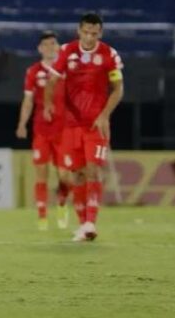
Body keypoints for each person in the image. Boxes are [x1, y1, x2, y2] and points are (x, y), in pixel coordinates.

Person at [44, 13, 123, 242]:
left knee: (93, 170)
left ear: (100, 33)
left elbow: (118, 89)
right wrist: (49, 104)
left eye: (94, 33)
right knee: (76, 175)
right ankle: (83, 225)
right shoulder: (67, 51)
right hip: (70, 125)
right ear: (79, 31)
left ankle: (91, 222)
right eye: (86, 32)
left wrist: (105, 115)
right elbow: (52, 79)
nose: (90, 37)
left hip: (95, 125)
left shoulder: (109, 54)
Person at [16, 31, 72, 231]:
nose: (50, 47)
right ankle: (42, 215)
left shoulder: (66, 70)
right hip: (41, 130)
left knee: (65, 175)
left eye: (53, 43)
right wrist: (22, 123)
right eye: (46, 44)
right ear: (40, 49)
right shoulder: (33, 72)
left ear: (58, 47)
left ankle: (63, 205)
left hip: (63, 131)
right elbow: (28, 101)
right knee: (41, 173)